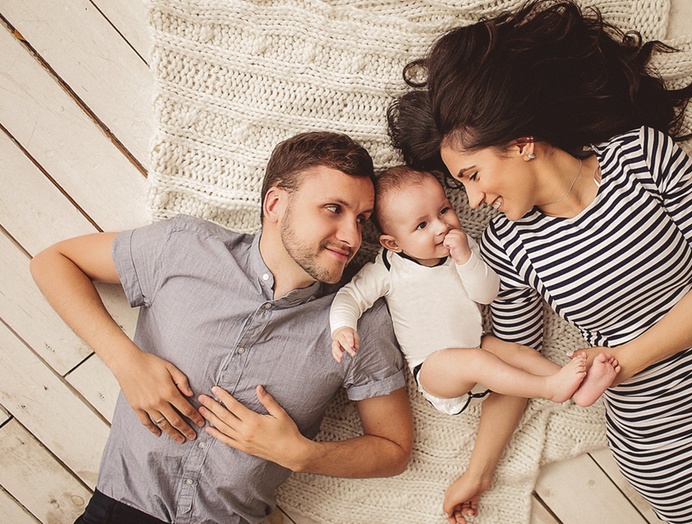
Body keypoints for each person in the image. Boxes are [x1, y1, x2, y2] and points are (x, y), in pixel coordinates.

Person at [386, 1, 692, 523]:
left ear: (521, 143)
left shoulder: (644, 158)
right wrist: (478, 473)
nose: (472, 202)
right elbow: (514, 362)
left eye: (473, 175)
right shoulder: (508, 246)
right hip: (654, 451)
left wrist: (622, 362)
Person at [30, 132, 414, 524]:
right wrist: (124, 361)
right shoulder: (183, 247)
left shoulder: (361, 321)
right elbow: (52, 262)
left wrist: (302, 455)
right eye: (334, 209)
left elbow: (393, 449)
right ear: (276, 203)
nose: (352, 236)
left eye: (362, 219)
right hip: (119, 510)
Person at [330, 165, 620, 410]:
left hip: (475, 343)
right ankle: (549, 388)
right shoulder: (389, 268)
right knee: (477, 361)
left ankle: (578, 385)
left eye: (444, 210)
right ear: (393, 243)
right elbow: (351, 295)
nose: (441, 227)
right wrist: (342, 326)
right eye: (421, 225)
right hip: (432, 368)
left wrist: (466, 258)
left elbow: (487, 294)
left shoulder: (463, 248)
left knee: (520, 353)